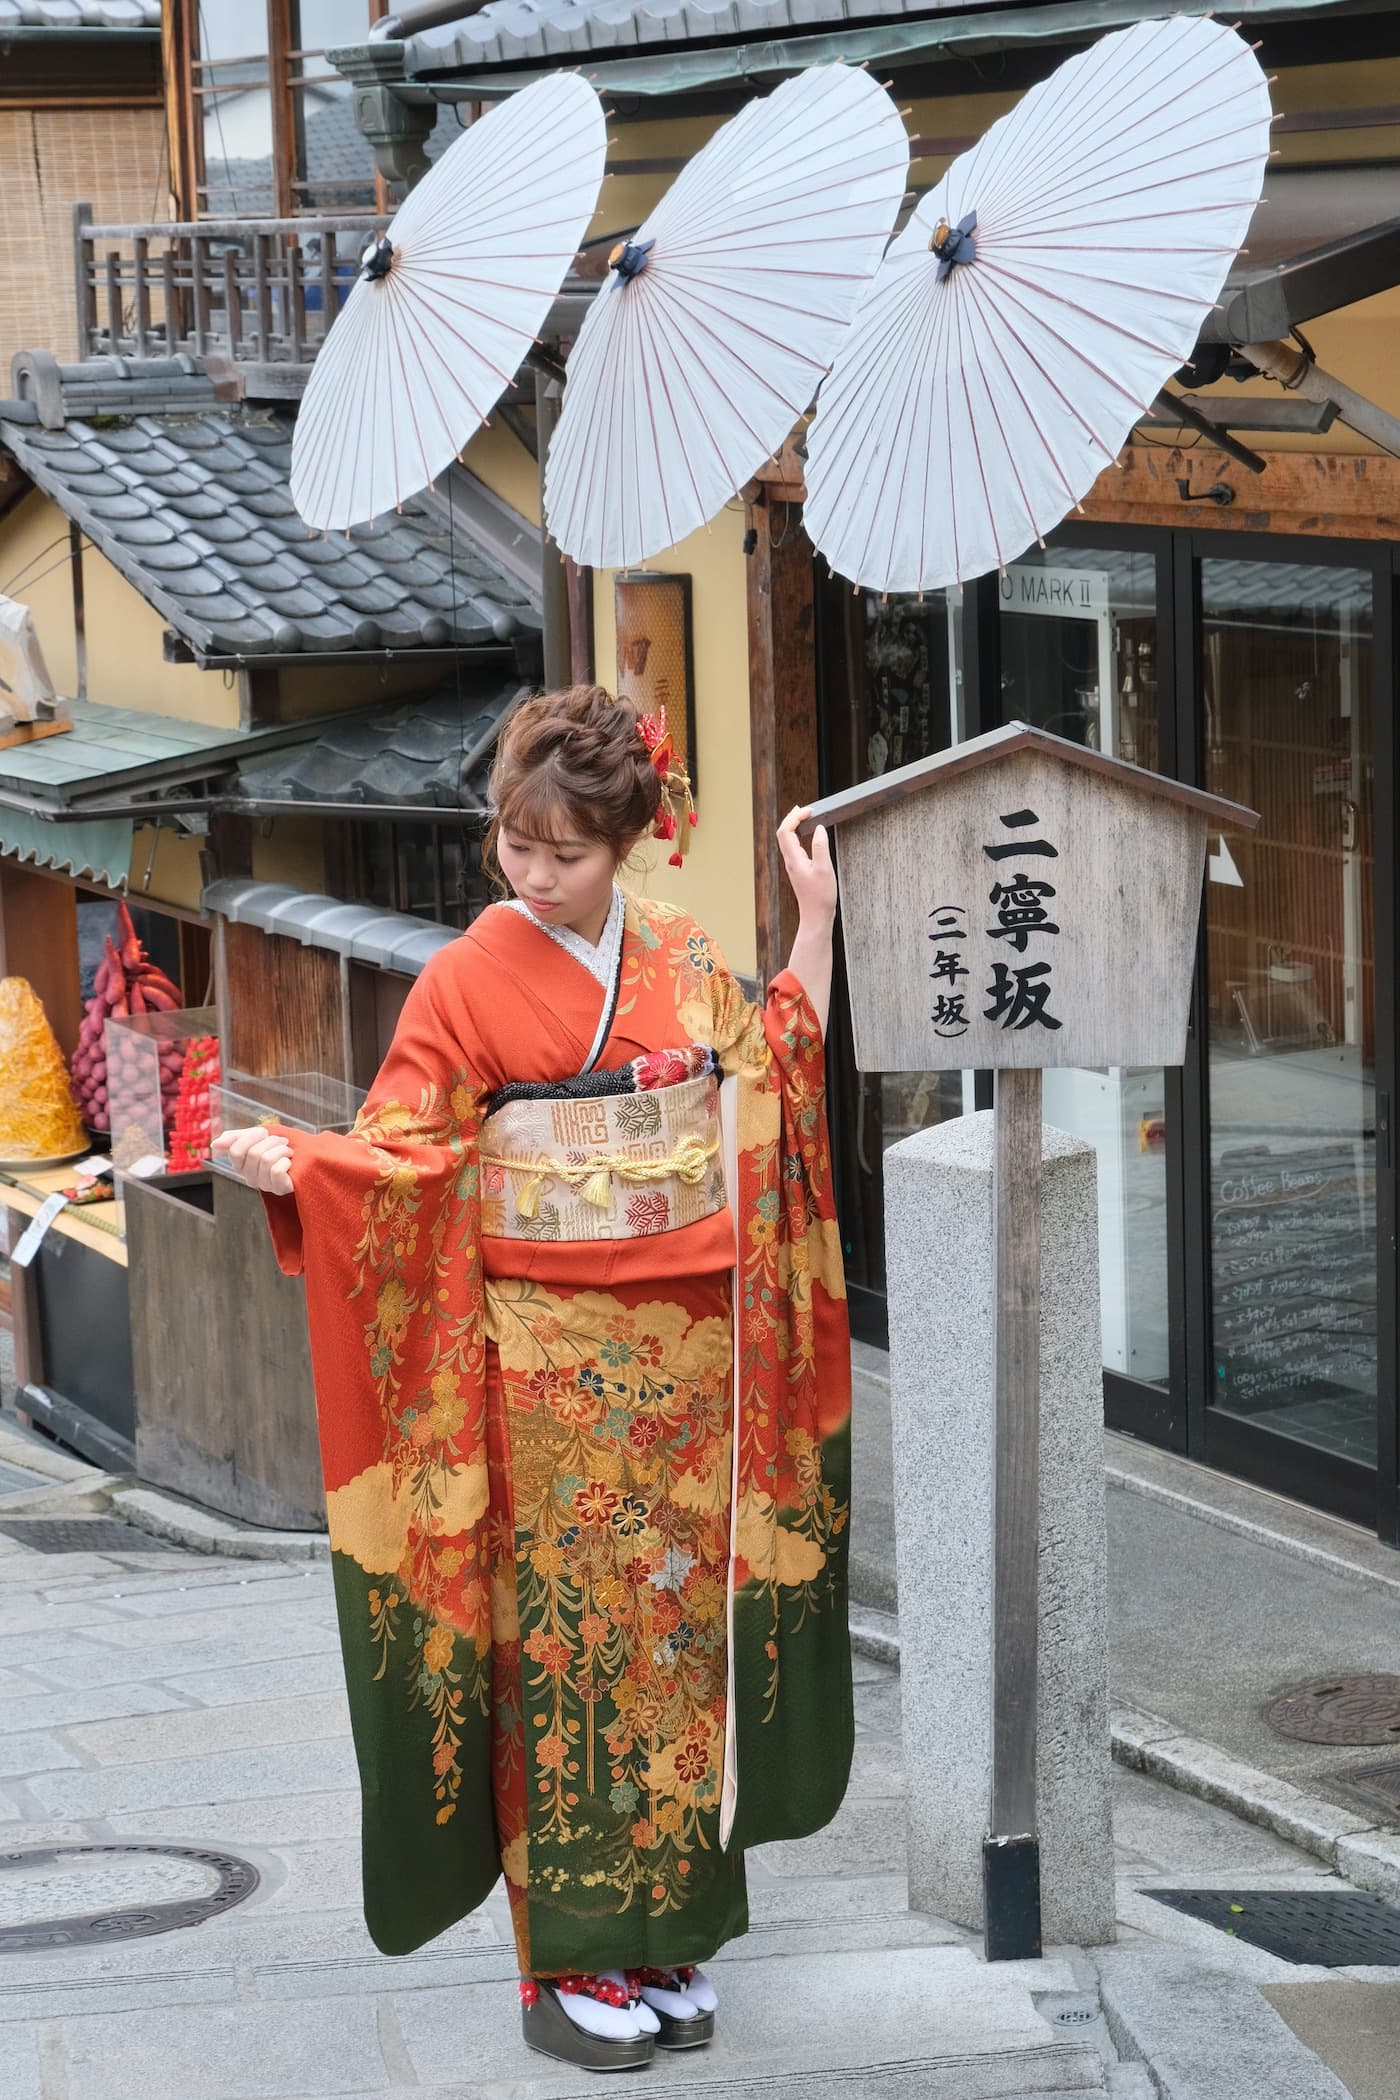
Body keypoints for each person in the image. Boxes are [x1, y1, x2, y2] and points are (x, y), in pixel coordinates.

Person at [214, 685, 853, 2072]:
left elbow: (771, 1082)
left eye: (565, 852)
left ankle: (667, 1929)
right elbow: (408, 1153)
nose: (534, 873)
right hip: (548, 1383)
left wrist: (815, 928)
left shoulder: (680, 956)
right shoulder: (465, 980)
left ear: (627, 842)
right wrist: (308, 1170)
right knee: (565, 1656)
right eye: (516, 844)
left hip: (682, 1383)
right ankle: (563, 1961)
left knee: (675, 1656)